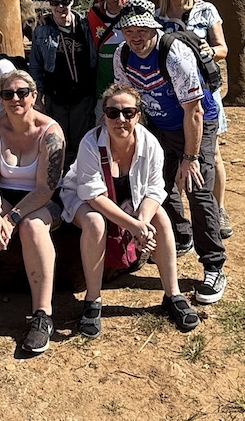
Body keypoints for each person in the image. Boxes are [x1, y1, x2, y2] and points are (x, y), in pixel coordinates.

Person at [61, 84, 200, 337]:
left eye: (128, 112)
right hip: (84, 198)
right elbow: (92, 195)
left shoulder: (150, 143)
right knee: (95, 222)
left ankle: (173, 294)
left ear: (138, 115)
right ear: (103, 115)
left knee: (161, 217)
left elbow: (156, 189)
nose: (120, 119)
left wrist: (143, 223)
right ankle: (93, 300)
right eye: (113, 113)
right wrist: (133, 225)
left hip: (129, 199)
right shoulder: (91, 142)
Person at [113, 0, 227, 305]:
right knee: (159, 184)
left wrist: (190, 158)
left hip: (195, 123)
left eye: (141, 29)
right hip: (160, 124)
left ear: (153, 27)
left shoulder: (173, 54)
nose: (135, 37)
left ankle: (214, 264)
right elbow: (129, 100)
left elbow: (195, 111)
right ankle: (180, 235)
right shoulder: (122, 56)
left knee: (196, 187)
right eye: (128, 30)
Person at [0, 70, 66, 356]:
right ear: (0, 98)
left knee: (32, 227)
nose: (15, 99)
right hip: (3, 196)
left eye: (21, 93)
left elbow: (46, 188)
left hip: (40, 199)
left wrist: (12, 219)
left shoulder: (50, 132)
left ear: (33, 96)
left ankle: (42, 314)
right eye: (8, 94)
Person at [152, 0, 233, 239]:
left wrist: (211, 52)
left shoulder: (205, 10)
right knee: (172, 158)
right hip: (170, 95)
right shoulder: (156, 16)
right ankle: (182, 219)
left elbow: (222, 48)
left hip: (204, 93)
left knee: (211, 154)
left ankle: (217, 209)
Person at [30, 0, 96, 168]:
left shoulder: (85, 25)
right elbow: (36, 65)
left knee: (81, 143)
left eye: (65, 2)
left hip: (83, 97)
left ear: (72, 1)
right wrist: (38, 96)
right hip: (56, 98)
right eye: (55, 3)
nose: (60, 7)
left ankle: (78, 185)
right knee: (58, 143)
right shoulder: (42, 30)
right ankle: (59, 187)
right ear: (49, 4)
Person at [86, 0, 131, 123]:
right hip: (103, 89)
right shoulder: (94, 16)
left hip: (132, 87)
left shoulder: (134, 12)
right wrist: (47, 20)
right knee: (102, 128)